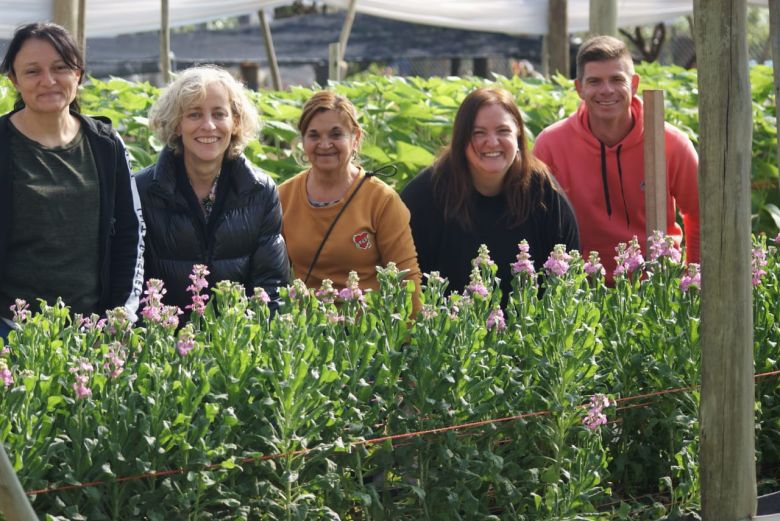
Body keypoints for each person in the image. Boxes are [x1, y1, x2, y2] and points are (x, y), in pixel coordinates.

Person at [0, 22, 144, 340]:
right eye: (32, 71)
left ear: (78, 74)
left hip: (91, 332)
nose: (48, 81)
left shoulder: (105, 144)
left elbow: (131, 235)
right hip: (10, 331)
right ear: (14, 80)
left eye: (60, 68)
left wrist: (121, 315)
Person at [533, 35, 700, 282]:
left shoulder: (670, 143)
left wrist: (694, 279)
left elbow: (699, 215)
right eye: (595, 81)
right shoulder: (551, 144)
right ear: (579, 88)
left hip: (655, 286)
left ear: (633, 84)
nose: (607, 90)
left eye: (617, 80)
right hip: (580, 287)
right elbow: (533, 220)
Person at [400, 87, 579, 300]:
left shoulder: (544, 193)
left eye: (503, 131)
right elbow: (405, 280)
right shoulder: (424, 195)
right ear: (461, 138)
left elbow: (567, 278)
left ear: (519, 133)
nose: (492, 142)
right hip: (444, 328)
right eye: (478, 133)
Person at [135, 66, 288, 311]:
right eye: (194, 114)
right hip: (162, 341)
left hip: (235, 341)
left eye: (219, 114)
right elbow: (132, 286)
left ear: (235, 122)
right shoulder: (142, 191)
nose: (208, 125)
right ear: (176, 124)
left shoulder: (260, 192)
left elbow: (271, 286)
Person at [278, 91, 421, 306]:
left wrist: (410, 336)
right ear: (303, 140)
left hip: (366, 332)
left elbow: (406, 276)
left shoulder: (381, 200)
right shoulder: (283, 196)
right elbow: (270, 272)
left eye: (336, 135)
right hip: (306, 331)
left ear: (356, 138)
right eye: (314, 135)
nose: (324, 145)